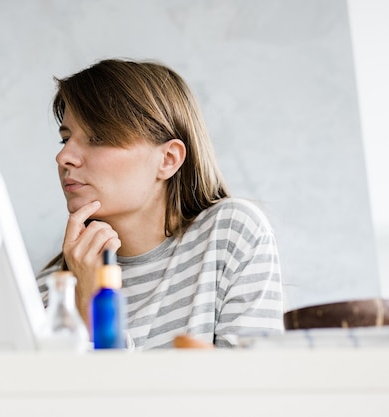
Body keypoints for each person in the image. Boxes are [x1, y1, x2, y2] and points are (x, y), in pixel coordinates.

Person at [37, 58, 284, 349]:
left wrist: (97, 307)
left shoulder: (232, 234)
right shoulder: (49, 291)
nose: (64, 157)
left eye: (97, 137)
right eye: (64, 139)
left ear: (168, 160)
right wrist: (84, 306)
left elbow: (252, 387)